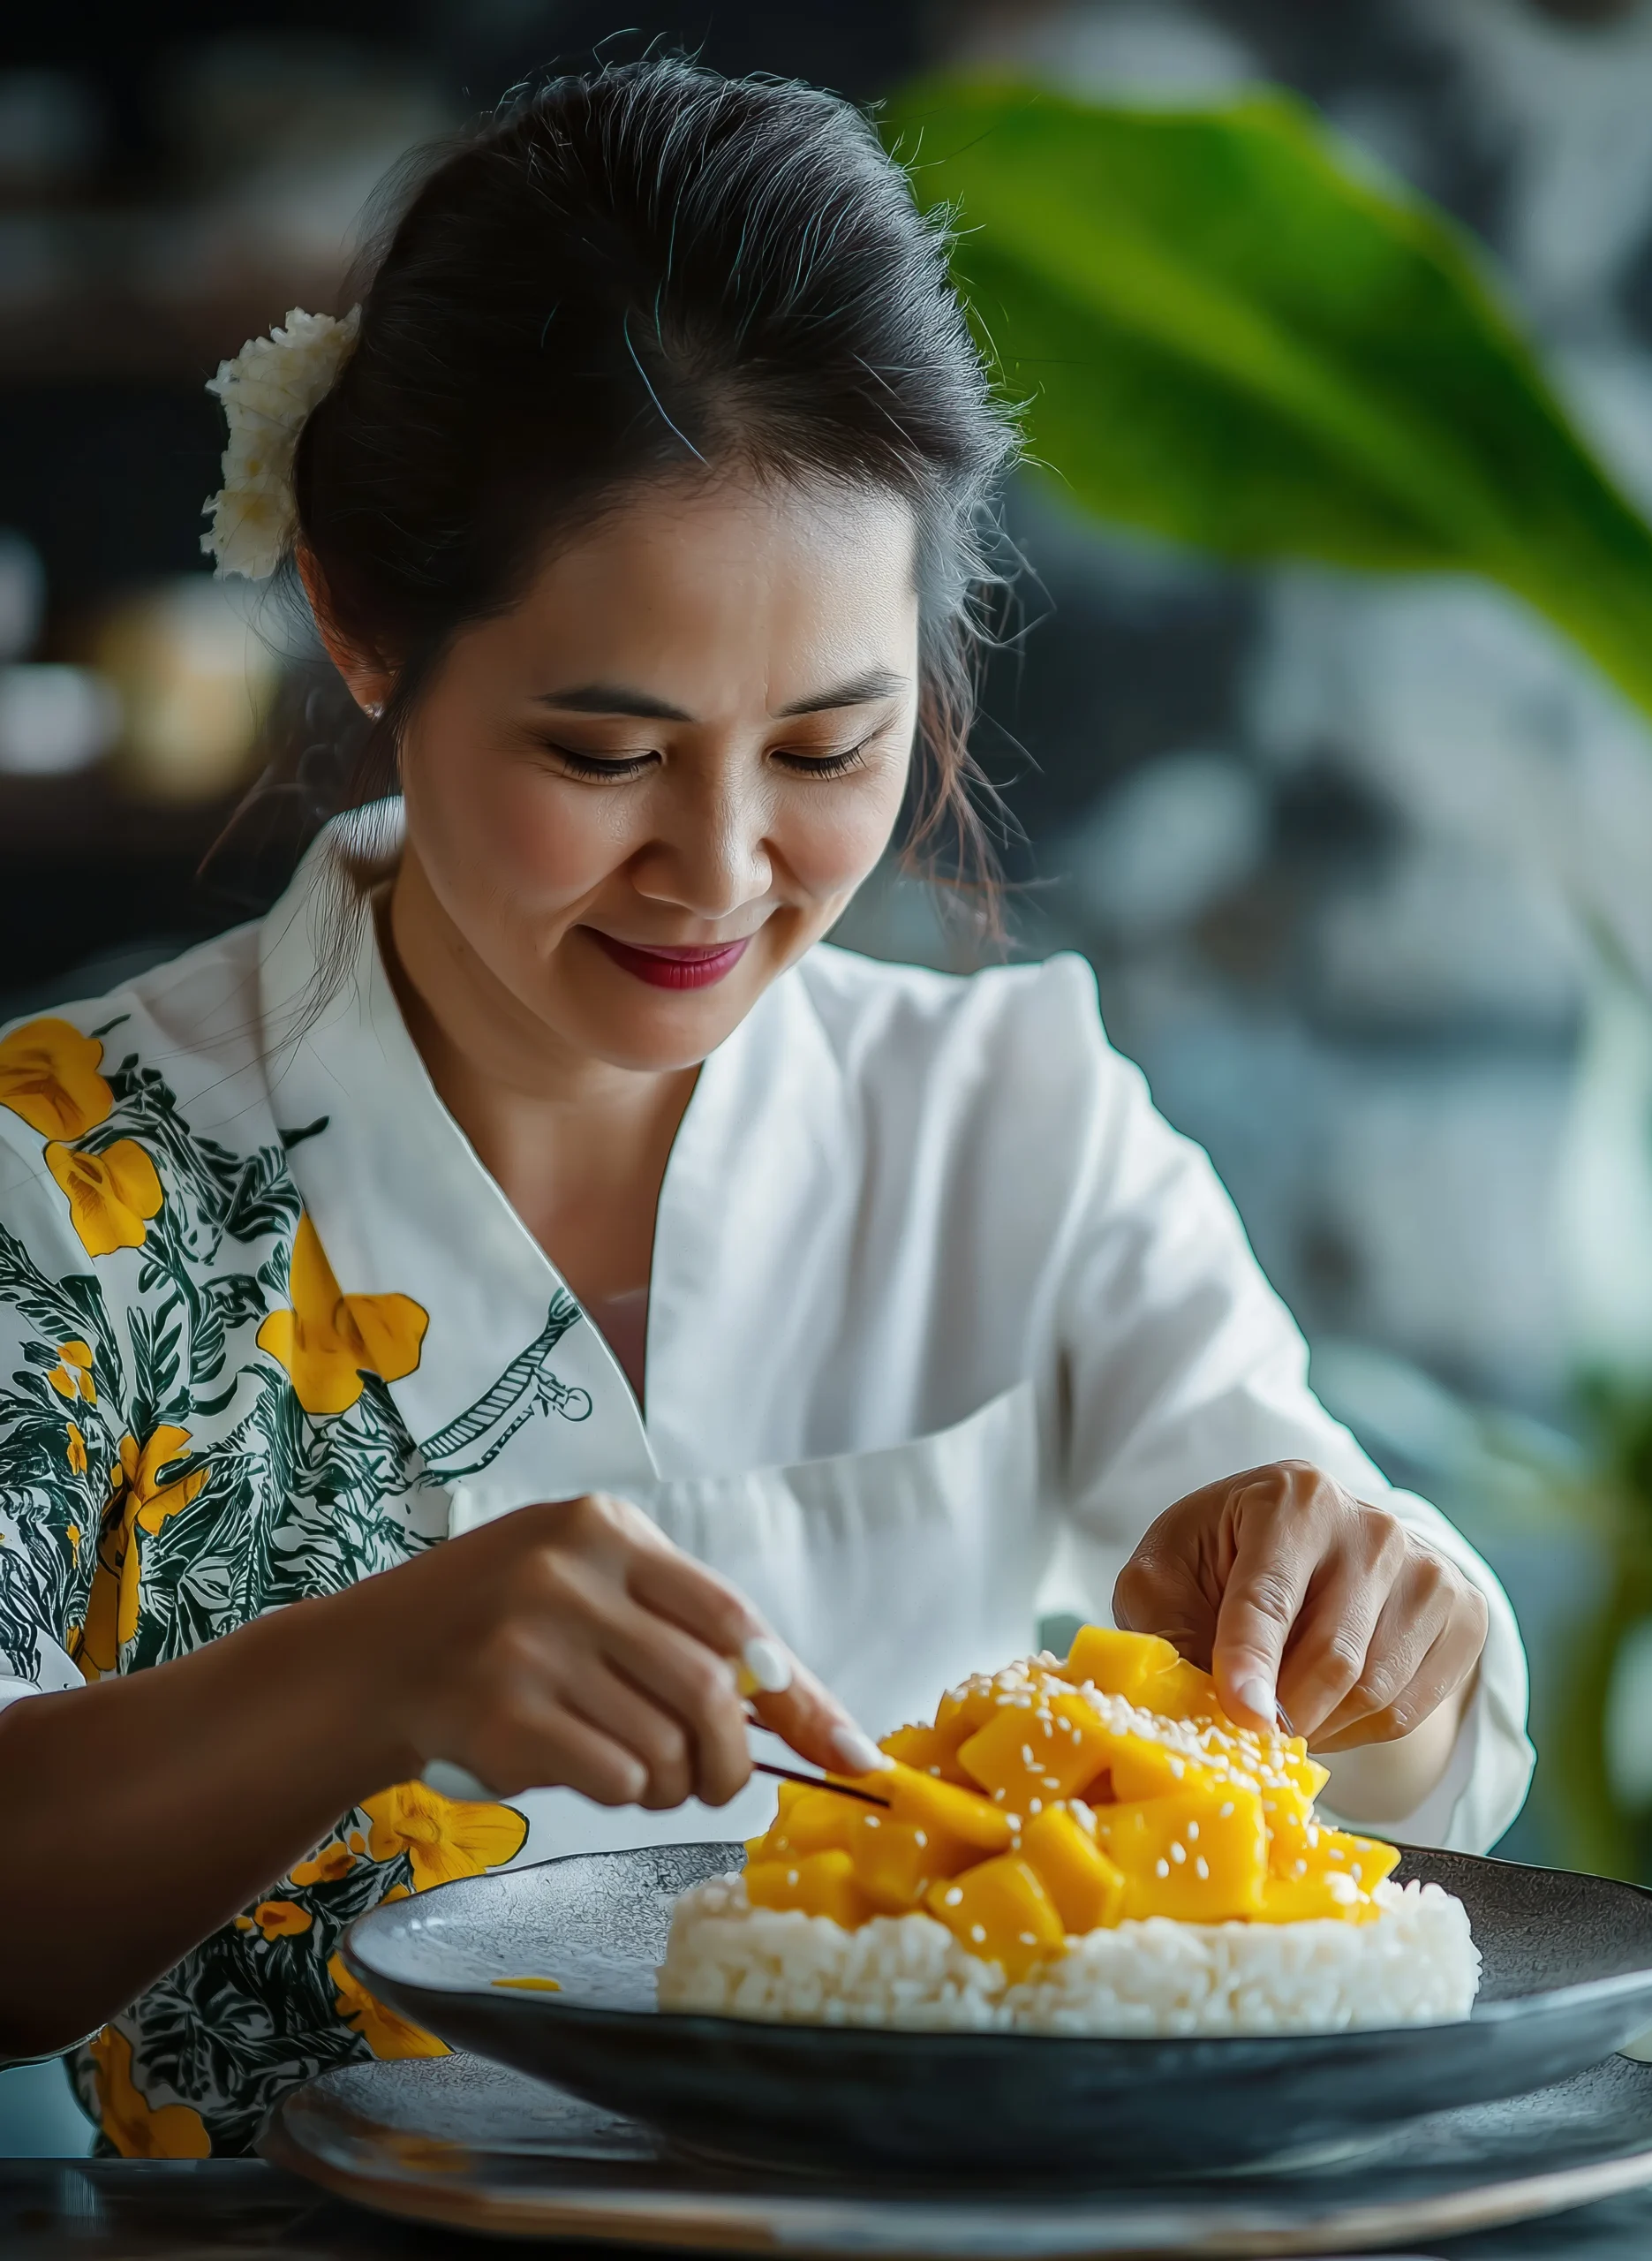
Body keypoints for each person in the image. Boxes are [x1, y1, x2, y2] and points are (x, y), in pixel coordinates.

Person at [0, 57, 1528, 2157]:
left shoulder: (1014, 1120)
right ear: (359, 615)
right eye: (606, 751)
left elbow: (1379, 1765)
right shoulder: (61, 1169)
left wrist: (1385, 1630)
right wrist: (372, 1669)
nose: (718, 871)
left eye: (826, 748)